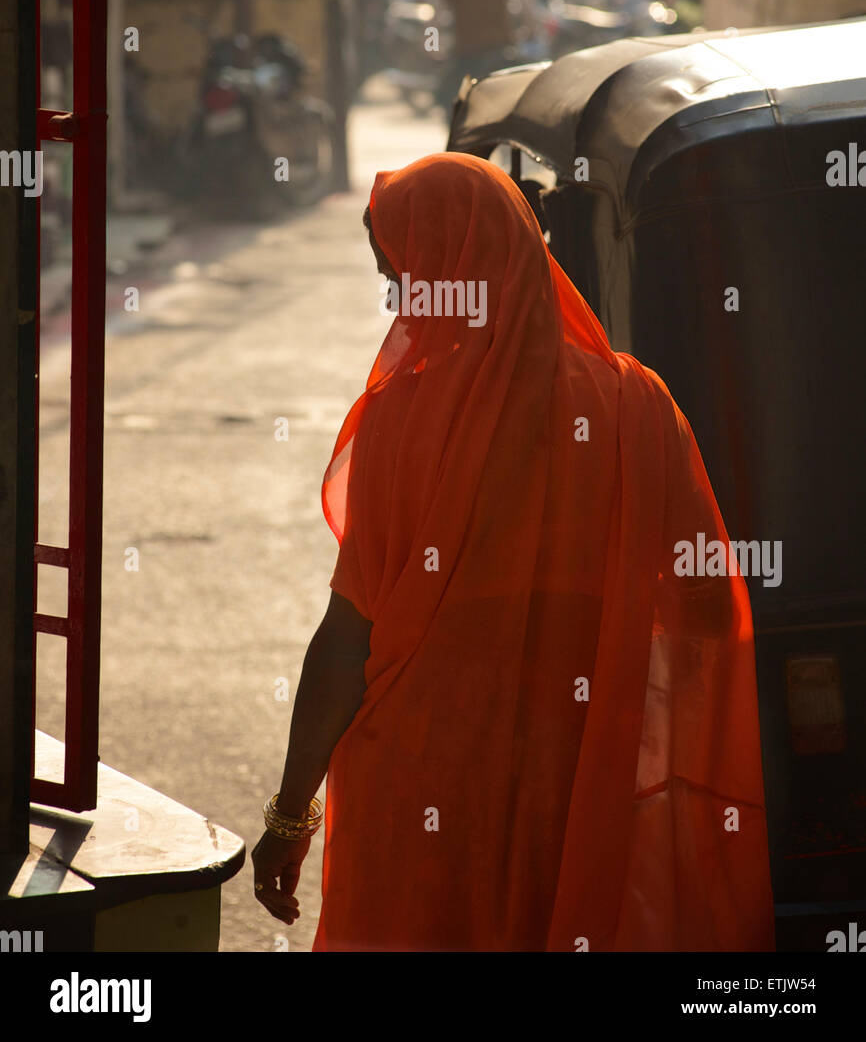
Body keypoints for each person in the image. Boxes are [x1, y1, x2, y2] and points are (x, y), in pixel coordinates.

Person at [252, 152, 776, 952]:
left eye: (399, 274)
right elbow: (704, 610)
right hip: (573, 789)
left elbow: (347, 639)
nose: (394, 300)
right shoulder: (638, 405)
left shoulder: (401, 422)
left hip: (420, 785)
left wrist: (292, 816)